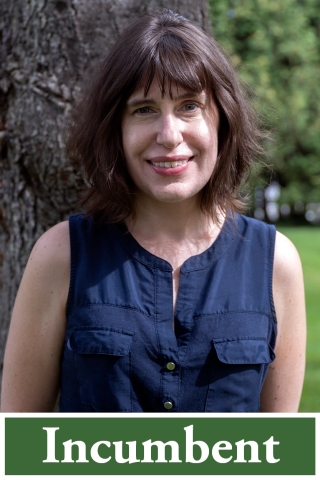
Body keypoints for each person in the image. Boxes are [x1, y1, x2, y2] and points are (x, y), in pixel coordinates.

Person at [1, 9, 306, 412]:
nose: (169, 135)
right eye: (143, 109)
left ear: (223, 120)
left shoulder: (276, 262)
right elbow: (18, 447)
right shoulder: (60, 255)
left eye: (189, 106)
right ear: (116, 130)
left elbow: (278, 458)